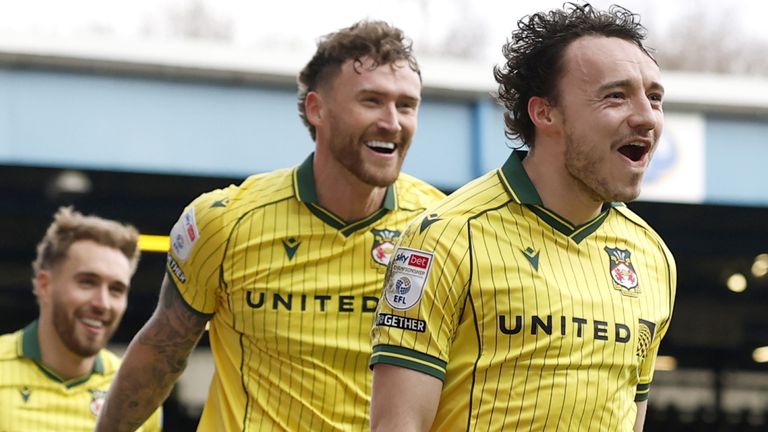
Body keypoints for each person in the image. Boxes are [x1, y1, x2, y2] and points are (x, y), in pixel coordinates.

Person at [95, 20, 445, 432]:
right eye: (372, 101)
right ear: (317, 109)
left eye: (407, 105)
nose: (393, 122)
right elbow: (162, 350)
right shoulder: (224, 220)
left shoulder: (439, 230)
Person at [369, 3, 676, 431]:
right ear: (544, 112)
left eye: (655, 97)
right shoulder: (444, 238)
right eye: (616, 96)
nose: (646, 116)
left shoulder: (652, 256)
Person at [0, 207, 161, 432]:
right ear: (45, 285)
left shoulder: (137, 391)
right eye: (87, 282)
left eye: (116, 289)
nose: (102, 303)